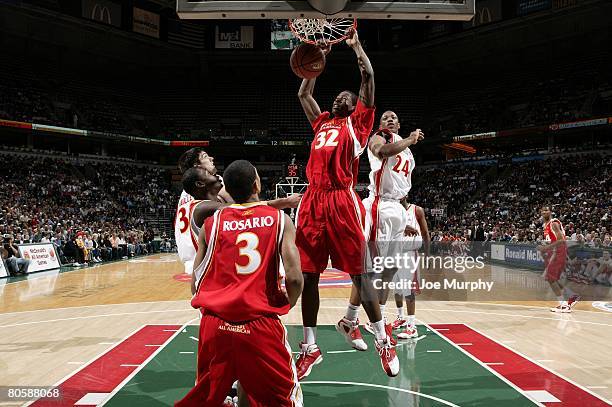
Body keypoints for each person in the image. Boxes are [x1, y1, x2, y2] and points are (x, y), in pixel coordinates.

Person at [294, 29, 399, 379]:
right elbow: (303, 92)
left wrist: (355, 47)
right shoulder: (322, 122)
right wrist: (314, 64)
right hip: (312, 200)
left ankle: (383, 339)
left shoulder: (358, 125)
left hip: (341, 199)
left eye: (346, 96)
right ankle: (310, 347)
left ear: (357, 108)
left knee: (360, 272)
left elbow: (367, 76)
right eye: (337, 95)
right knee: (308, 275)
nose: (340, 97)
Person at [176, 160, 304, 407]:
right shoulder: (279, 220)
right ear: (257, 183)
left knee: (211, 399)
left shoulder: (210, 225)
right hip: (259, 323)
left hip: (214, 325)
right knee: (286, 400)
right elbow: (295, 277)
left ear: (229, 191)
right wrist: (290, 300)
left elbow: (195, 285)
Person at [342, 111, 424, 345]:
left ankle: (373, 317)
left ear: (399, 122)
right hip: (379, 206)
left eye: (393, 117)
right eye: (385, 117)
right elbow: (380, 152)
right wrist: (409, 138)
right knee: (368, 269)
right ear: (381, 124)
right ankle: (351, 319)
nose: (389, 119)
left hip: (396, 208)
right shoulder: (381, 137)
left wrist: (406, 217)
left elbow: (403, 188)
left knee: (390, 269)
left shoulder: (406, 151)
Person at [392, 201, 430, 340]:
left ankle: (412, 326)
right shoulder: (393, 211)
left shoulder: (417, 210)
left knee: (409, 290)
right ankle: (400, 316)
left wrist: (427, 255)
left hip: (409, 253)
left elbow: (425, 233)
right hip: (394, 252)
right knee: (397, 289)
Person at [537, 206, 580, 313]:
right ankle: (572, 296)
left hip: (558, 250)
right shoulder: (546, 225)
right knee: (553, 278)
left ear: (550, 212)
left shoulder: (553, 223)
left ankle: (564, 305)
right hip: (554, 251)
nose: (544, 212)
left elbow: (561, 239)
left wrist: (545, 248)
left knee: (550, 278)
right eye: (542, 211)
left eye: (546, 210)